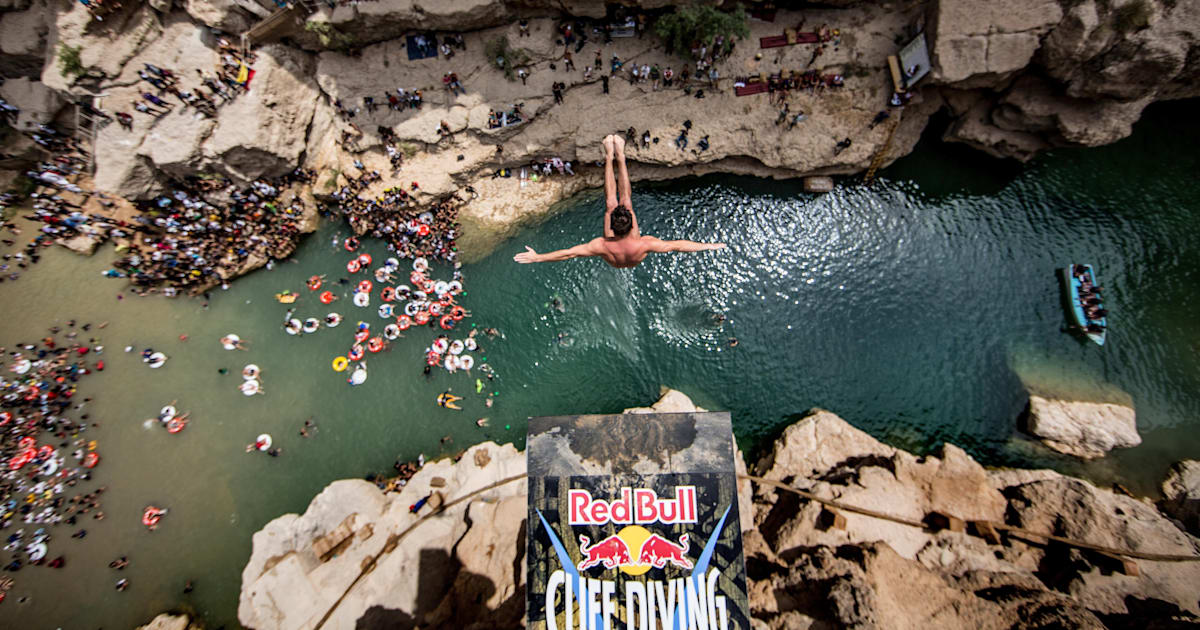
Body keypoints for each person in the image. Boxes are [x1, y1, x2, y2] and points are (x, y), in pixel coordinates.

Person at [514, 135, 725, 268]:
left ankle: (609, 156)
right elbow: (678, 246)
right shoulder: (644, 243)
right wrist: (708, 245)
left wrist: (538, 257)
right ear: (632, 226)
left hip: (612, 256)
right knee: (626, 202)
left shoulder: (601, 245)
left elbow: (568, 254)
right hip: (633, 256)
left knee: (611, 204)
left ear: (611, 229)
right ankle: (620, 155)